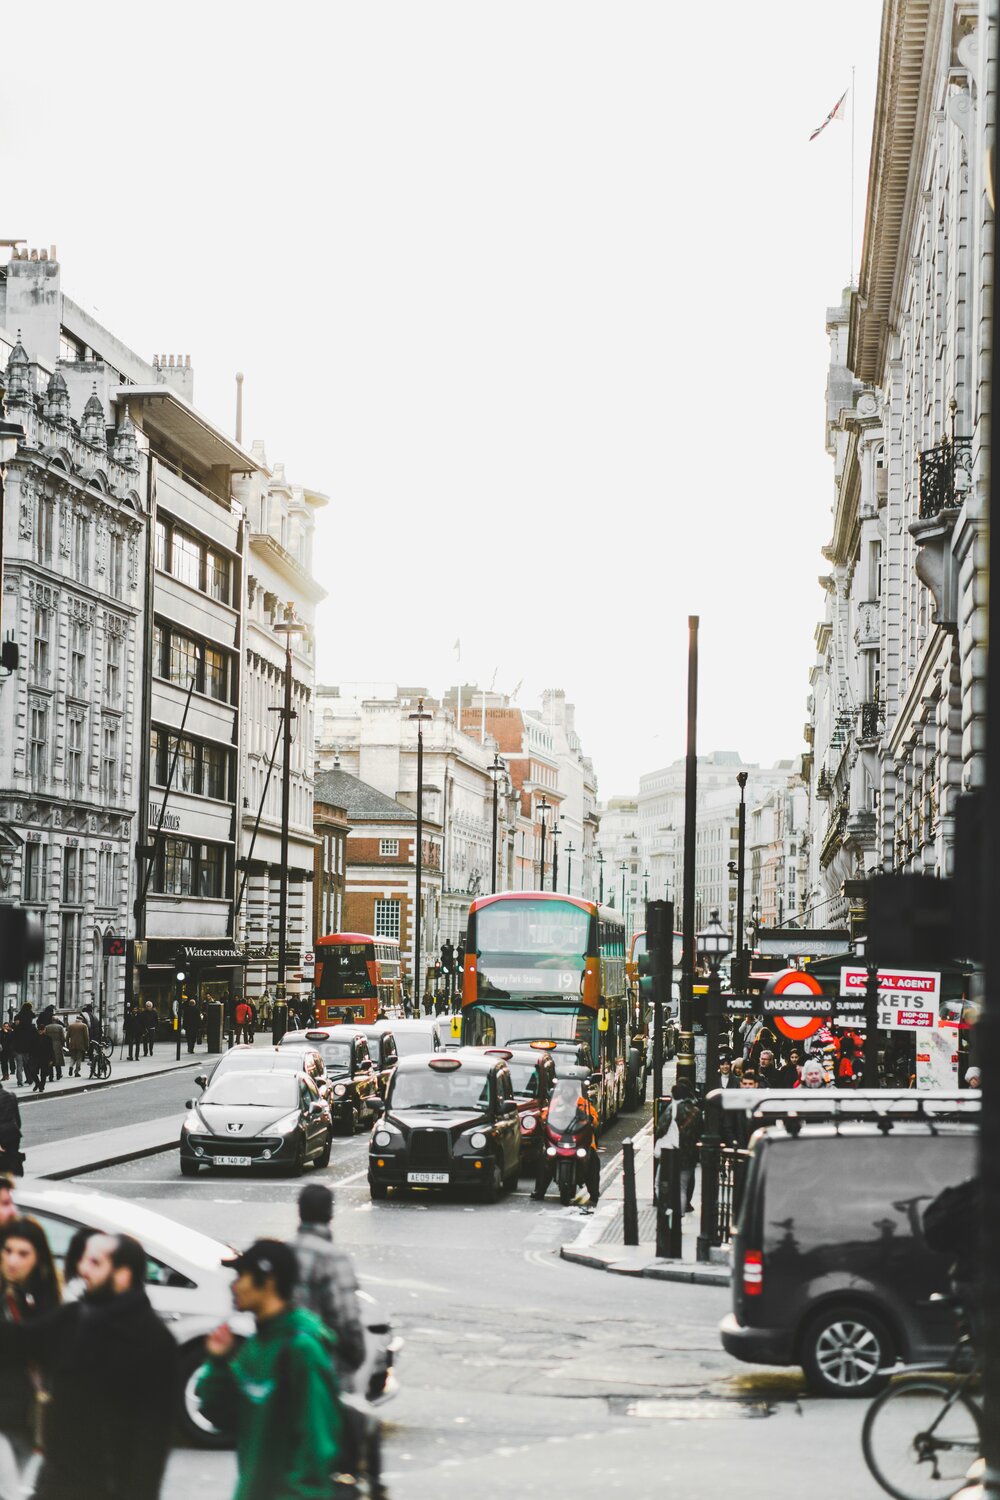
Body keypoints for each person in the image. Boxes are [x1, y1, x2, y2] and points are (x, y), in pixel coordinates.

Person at [0, 1231, 178, 1500]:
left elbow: (153, 1438)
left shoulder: (152, 1340)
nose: (82, 1268)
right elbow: (20, 1342)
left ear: (122, 1274)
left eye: (95, 1263)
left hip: (108, 1488)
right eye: (84, 1259)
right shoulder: (76, 1316)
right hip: (57, 1482)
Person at [197, 1239, 342, 1500]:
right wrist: (218, 1364)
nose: (234, 1285)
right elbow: (221, 1416)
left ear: (269, 1280)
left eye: (242, 1276)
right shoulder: (255, 1346)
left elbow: (316, 1449)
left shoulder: (302, 1351)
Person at [0, 1218, 62, 1500]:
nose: (12, 1260)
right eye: (7, 1250)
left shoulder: (44, 1299)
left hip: (27, 1420)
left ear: (38, 1258)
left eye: (23, 1254)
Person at [532, 1078, 601, 1208]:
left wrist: (592, 1119)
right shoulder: (556, 1103)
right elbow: (545, 1115)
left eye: (570, 1089)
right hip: (559, 1139)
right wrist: (544, 1118)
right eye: (565, 1089)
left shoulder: (583, 1103)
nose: (567, 1092)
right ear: (562, 1091)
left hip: (579, 1141)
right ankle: (539, 1190)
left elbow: (594, 1118)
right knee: (544, 1159)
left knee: (593, 1161)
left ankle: (594, 1194)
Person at [654, 1080, 701, 1214]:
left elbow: (660, 1129)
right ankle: (678, 1220)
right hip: (689, 1156)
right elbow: (700, 1132)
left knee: (660, 1184)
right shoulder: (696, 1111)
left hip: (670, 1153)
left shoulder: (672, 1109)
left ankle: (665, 1213)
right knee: (682, 1188)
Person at [0, 1090, 22, 1180]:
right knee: (13, 1158)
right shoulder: (11, 1094)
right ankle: (16, 1181)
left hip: (1, 1133)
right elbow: (17, 1118)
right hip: (13, 1131)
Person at [10, 1013, 34, 1092]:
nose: (17, 1022)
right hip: (21, 1050)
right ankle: (22, 1081)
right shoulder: (24, 1028)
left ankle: (25, 1080)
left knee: (23, 1066)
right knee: (22, 1066)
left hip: (21, 1050)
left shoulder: (14, 1029)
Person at [29, 1027, 50, 1095]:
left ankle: (41, 1087)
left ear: (44, 1030)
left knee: (43, 1074)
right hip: (35, 1058)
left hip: (45, 1058)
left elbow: (50, 1049)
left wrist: (51, 1059)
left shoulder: (48, 1038)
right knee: (33, 1072)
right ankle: (38, 1083)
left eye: (42, 1030)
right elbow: (31, 1048)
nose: (40, 1031)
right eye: (39, 1030)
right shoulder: (34, 1038)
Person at [44, 1019, 65, 1084]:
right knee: (58, 1060)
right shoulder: (60, 1027)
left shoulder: (47, 1027)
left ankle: (51, 1076)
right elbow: (63, 1037)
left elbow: (45, 1035)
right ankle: (58, 1074)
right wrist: (63, 1044)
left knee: (50, 1060)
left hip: (49, 1044)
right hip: (58, 1044)